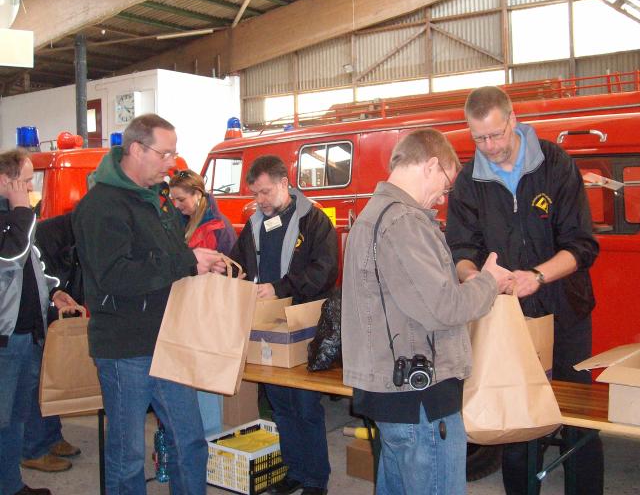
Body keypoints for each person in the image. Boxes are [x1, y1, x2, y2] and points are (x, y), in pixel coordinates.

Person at [445, 86, 604, 495]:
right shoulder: (468, 181)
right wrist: (479, 279)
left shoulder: (555, 165)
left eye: (495, 135)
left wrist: (537, 275)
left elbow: (582, 246)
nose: (489, 146)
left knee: (578, 421)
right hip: (508, 318)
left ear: (513, 119)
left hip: (565, 311)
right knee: (514, 420)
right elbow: (460, 251)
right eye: (478, 138)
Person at [341, 128, 513, 495]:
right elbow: (443, 307)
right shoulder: (403, 222)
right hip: (420, 399)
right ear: (432, 165)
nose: (442, 198)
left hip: (395, 395)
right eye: (446, 185)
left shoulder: (373, 216)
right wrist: (488, 282)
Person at [72, 114, 226, 494]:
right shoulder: (101, 206)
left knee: (189, 441)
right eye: (165, 153)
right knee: (126, 458)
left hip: (168, 340)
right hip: (126, 349)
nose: (172, 163)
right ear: (137, 150)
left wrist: (199, 262)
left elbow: (171, 259)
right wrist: (186, 262)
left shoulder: (156, 201)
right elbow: (115, 277)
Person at [229, 155, 338, 495]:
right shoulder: (254, 225)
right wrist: (225, 268)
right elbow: (240, 263)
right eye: (255, 194)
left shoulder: (314, 221)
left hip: (304, 325)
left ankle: (316, 479)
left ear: (284, 184)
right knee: (280, 405)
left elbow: (325, 270)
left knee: (305, 406)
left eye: (264, 192)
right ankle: (295, 470)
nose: (259, 201)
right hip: (267, 327)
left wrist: (281, 287)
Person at [1, 148, 77, 495]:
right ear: (6, 180)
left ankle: (12, 485)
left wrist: (52, 293)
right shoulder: (14, 219)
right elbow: (10, 256)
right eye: (26, 180)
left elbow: (32, 264)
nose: (31, 188)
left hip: (26, 333)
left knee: (17, 417)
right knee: (2, 420)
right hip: (5, 338)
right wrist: (20, 208)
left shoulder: (18, 219)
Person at [169, 168, 237, 436]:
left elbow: (233, 268)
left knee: (206, 378)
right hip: (185, 310)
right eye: (173, 200)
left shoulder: (219, 227)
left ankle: (209, 438)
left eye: (181, 200)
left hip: (208, 313)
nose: (176, 205)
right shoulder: (178, 221)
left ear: (197, 195)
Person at [21, 213, 82, 474]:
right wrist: (56, 291)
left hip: (45, 310)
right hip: (32, 317)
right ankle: (34, 448)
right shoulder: (45, 232)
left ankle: (51, 437)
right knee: (36, 382)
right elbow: (41, 272)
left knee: (48, 375)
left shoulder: (75, 229)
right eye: (24, 182)